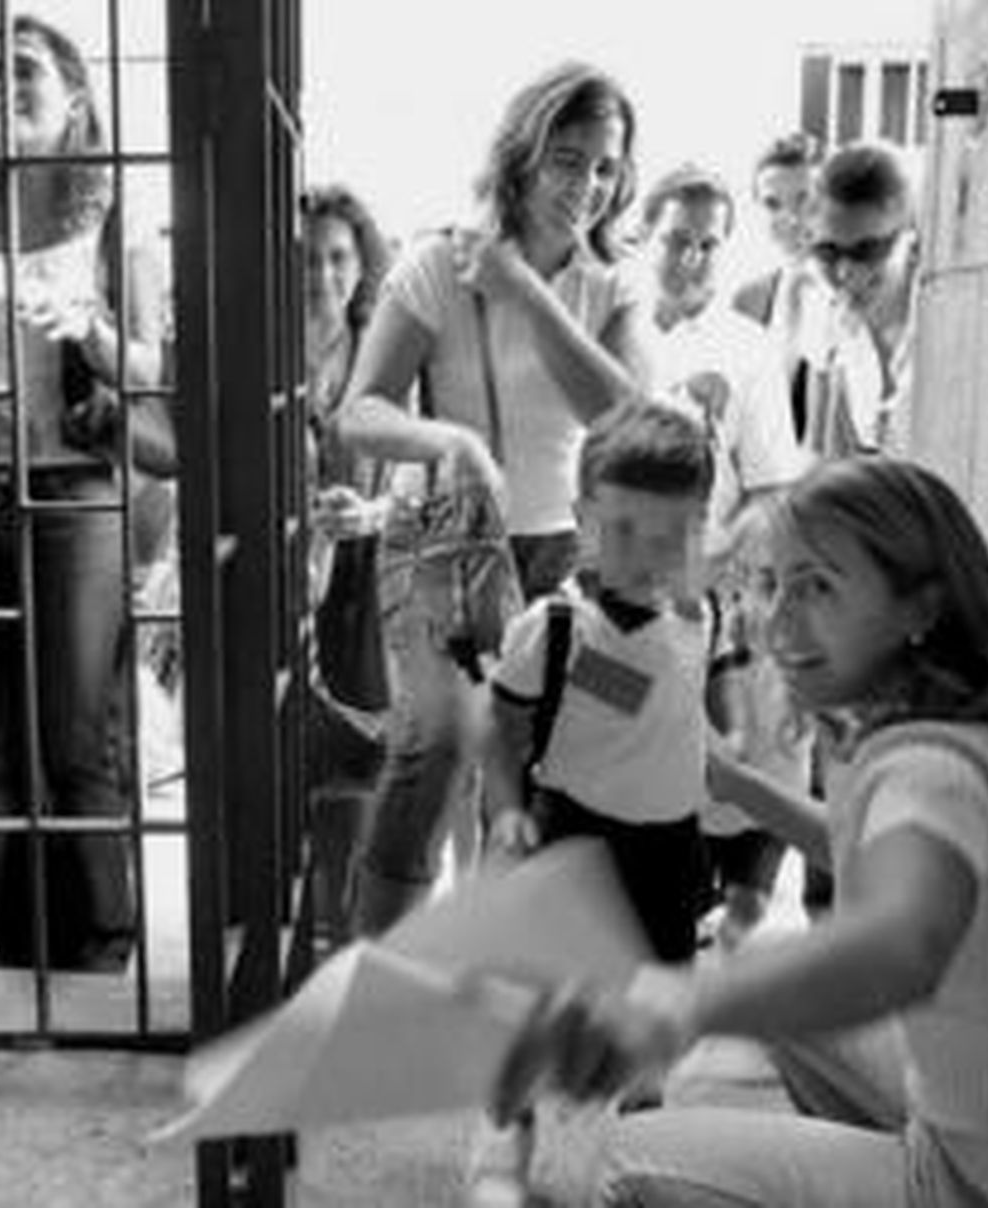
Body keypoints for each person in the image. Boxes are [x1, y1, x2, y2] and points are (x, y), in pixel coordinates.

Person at [492, 455, 988, 1208]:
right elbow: (889, 857)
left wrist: (669, 1001)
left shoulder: (931, 764)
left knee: (606, 1165)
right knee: (780, 971)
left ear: (920, 608)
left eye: (819, 586)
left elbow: (900, 941)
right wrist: (738, 786)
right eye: (774, 583)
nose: (779, 620)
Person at [335, 60, 651, 935]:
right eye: (567, 158)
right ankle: (379, 977)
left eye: (604, 165)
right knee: (436, 743)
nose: (587, 183)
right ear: (522, 154)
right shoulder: (439, 261)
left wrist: (524, 289)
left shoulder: (613, 285)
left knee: (554, 765)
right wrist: (451, 441)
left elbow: (625, 419)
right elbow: (358, 411)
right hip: (440, 544)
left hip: (563, 555)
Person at [0, 12, 166, 971]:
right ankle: (21, 965)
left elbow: (157, 376)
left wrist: (90, 328)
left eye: (22, 71)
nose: (0, 88)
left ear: (74, 97)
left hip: (71, 498)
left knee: (72, 745)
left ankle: (97, 958)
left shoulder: (115, 223)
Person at [468, 403, 718, 1203]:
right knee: (558, 1021)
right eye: (623, 531)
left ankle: (634, 1153)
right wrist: (506, 809)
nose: (650, 557)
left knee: (656, 1018)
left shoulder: (698, 614)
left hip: (671, 851)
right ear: (580, 521)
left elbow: (667, 705)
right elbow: (500, 729)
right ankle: (507, 1135)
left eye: (672, 535)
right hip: (579, 843)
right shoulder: (556, 629)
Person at [635, 161, 813, 951]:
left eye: (710, 244)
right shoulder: (618, 326)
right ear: (646, 232)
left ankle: (740, 908)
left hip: (720, 587)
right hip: (628, 583)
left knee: (751, 750)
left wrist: (722, 563)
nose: (693, 258)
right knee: (635, 734)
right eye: (678, 239)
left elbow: (772, 482)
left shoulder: (749, 349)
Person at [300, 183, 395, 947]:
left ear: (363, 266)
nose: (323, 276)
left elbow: (427, 469)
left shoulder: (385, 351)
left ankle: (345, 928)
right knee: (284, 750)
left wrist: (373, 514)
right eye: (305, 260)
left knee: (359, 752)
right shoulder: (260, 343)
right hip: (282, 568)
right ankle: (297, 926)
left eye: (338, 258)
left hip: (367, 572)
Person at [801, 140, 921, 458]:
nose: (845, 272)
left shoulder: (938, 316)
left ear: (906, 234)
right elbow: (818, 451)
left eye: (867, 252)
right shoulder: (826, 311)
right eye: (828, 252)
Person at [732, 131, 828, 444]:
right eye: (773, 204)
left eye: (805, 200)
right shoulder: (749, 301)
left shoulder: (858, 295)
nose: (790, 217)